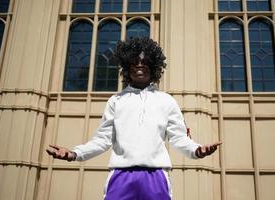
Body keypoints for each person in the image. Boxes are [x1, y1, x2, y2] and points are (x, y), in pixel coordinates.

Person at [46, 37, 221, 200]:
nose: (139, 65)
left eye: (145, 61)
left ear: (154, 67)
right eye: (134, 61)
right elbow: (102, 140)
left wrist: (197, 150)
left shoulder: (167, 101)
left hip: (156, 176)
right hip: (121, 176)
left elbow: (179, 138)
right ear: (126, 67)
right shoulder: (116, 101)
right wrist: (75, 154)